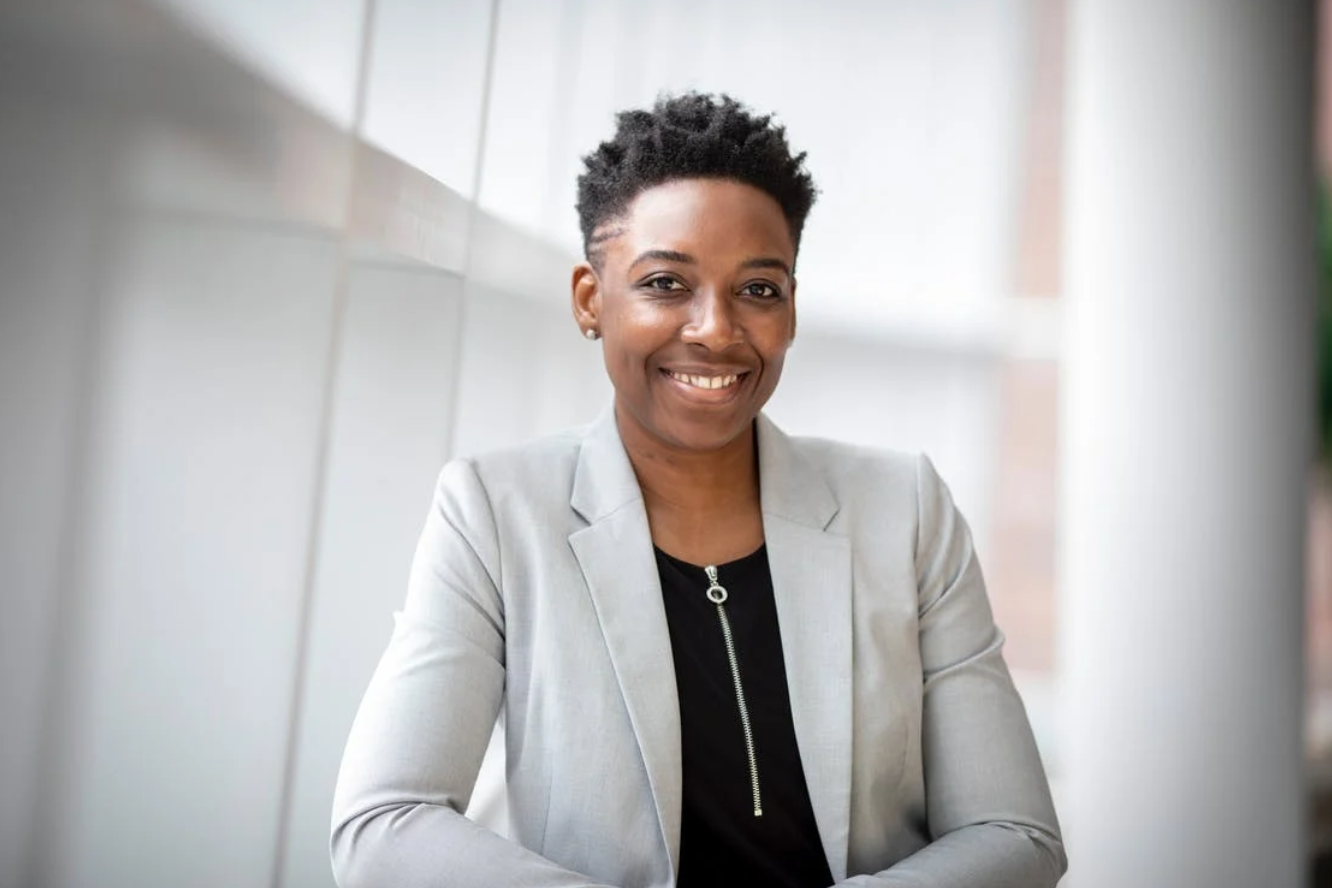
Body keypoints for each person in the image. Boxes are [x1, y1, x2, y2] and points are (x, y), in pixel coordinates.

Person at [330, 92, 1066, 888]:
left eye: (758, 289)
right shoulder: (495, 511)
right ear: (590, 299)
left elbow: (1015, 831)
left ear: (790, 309)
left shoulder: (905, 510)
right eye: (665, 284)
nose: (716, 329)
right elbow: (385, 824)